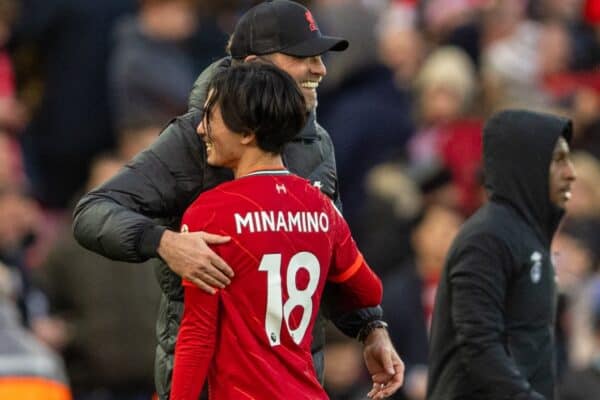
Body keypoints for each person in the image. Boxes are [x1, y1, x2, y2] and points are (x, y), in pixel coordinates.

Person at [72, 1, 403, 399]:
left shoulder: (319, 143)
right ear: (253, 64)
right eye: (304, 56)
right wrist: (164, 243)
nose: (321, 69)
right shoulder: (192, 139)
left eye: (320, 56)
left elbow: (337, 265)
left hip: (293, 376)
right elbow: (92, 213)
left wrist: (371, 328)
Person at [170, 61, 392, 400]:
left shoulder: (209, 213)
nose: (201, 129)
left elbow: (198, 333)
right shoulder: (321, 207)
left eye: (210, 117)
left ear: (246, 133)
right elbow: (368, 291)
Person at [427, 109, 577, 400]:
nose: (571, 173)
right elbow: (479, 345)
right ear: (526, 165)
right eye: (558, 160)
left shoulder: (528, 237)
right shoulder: (487, 238)